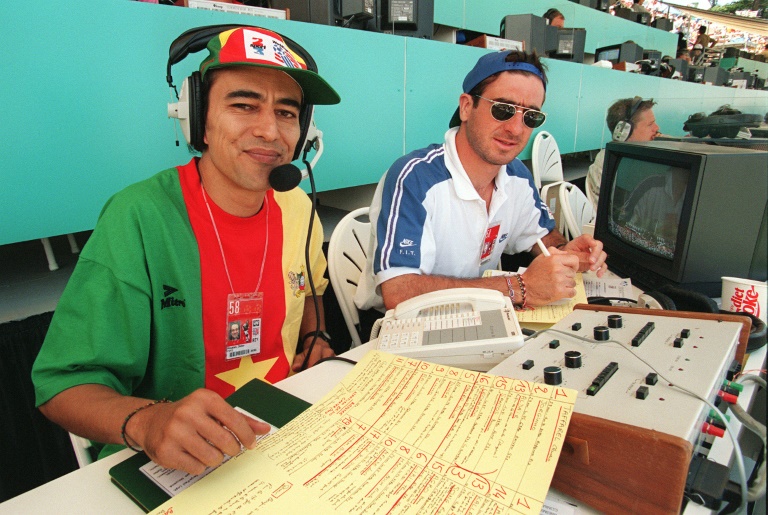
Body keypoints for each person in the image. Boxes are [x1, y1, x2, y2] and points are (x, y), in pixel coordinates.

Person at [31, 26, 341, 475]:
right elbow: (63, 385)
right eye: (243, 105)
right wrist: (147, 422)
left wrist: (318, 335)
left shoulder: (297, 206)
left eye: (287, 112)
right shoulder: (138, 216)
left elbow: (311, 291)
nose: (269, 130)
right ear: (197, 118)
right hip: (173, 464)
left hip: (281, 438)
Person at [354, 50, 607, 325]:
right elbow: (399, 292)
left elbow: (543, 236)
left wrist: (566, 252)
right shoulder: (414, 178)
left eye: (530, 116)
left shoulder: (518, 176)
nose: (516, 129)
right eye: (503, 109)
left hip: (476, 317)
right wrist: (521, 287)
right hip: (404, 327)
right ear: (466, 107)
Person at [586, 97, 660, 207]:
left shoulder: (631, 157)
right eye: (650, 124)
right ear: (624, 131)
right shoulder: (609, 164)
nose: (657, 128)